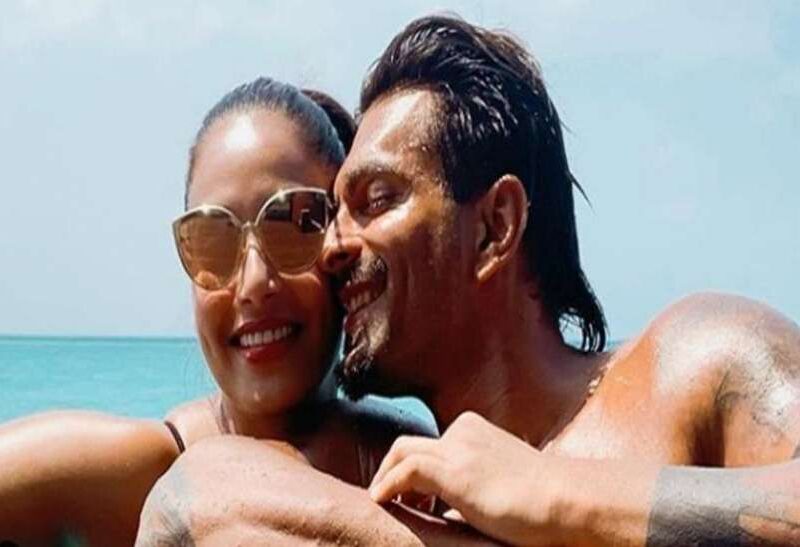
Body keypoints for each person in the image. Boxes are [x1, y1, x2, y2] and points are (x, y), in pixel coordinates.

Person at [137, 14, 800, 546]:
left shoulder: (693, 364)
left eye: (375, 201)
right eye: (333, 213)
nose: (333, 247)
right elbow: (190, 505)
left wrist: (548, 491)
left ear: (493, 227)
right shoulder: (404, 497)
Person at [0, 78, 432, 546]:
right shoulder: (139, 472)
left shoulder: (408, 462)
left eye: (291, 224)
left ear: (342, 244)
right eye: (211, 239)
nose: (253, 284)